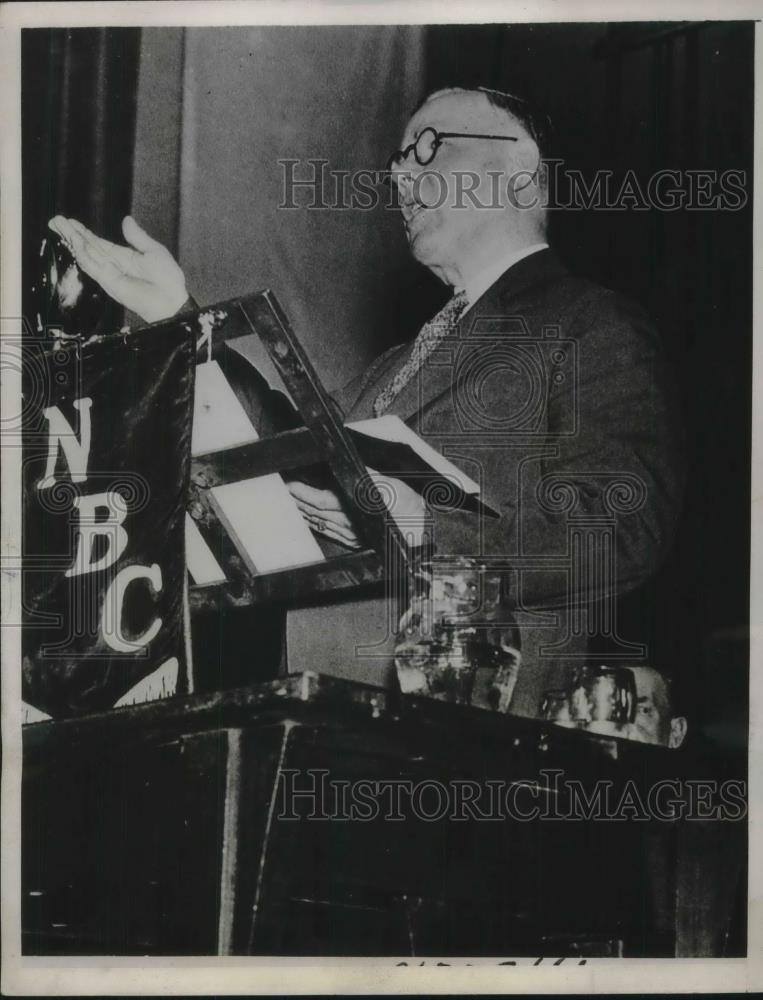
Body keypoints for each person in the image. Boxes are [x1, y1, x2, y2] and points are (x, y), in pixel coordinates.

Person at [48, 85, 685, 715]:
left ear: (519, 172)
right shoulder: (395, 362)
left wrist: (423, 524)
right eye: (396, 162)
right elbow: (285, 443)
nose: (402, 174)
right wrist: (179, 323)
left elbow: (626, 526)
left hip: (472, 739)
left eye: (428, 147)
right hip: (316, 716)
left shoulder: (590, 325)